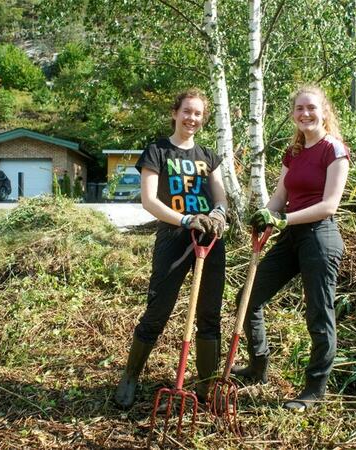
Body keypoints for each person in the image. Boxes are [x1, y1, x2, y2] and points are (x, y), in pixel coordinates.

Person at [231, 85, 350, 411]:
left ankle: (314, 389)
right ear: (293, 114)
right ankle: (258, 367)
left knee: (318, 314)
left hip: (319, 237)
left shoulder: (334, 150)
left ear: (324, 110)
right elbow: (279, 198)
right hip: (291, 235)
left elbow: (329, 205)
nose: (305, 114)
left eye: (311, 108)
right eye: (299, 109)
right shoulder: (294, 153)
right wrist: (268, 215)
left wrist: (285, 219)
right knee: (248, 296)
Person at [114, 88, 228, 409]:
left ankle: (206, 385)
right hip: (174, 240)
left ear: (203, 119)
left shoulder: (208, 156)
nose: (192, 118)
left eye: (198, 114)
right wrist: (186, 218)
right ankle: (131, 376)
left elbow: (220, 197)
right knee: (158, 310)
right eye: (187, 111)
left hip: (210, 241)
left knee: (209, 314)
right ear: (175, 112)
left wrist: (218, 213)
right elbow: (149, 201)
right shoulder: (158, 152)